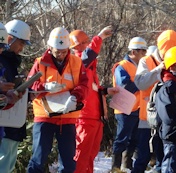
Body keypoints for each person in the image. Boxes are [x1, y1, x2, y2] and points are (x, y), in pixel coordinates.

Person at [27, 27, 87, 173]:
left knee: (68, 163)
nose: (60, 55)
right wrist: (44, 87)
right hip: (44, 117)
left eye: (64, 51)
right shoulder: (40, 62)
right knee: (38, 159)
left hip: (67, 118)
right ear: (49, 48)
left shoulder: (77, 62)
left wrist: (75, 97)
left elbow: (84, 84)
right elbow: (29, 86)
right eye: (57, 51)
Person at [69, 27, 119, 173]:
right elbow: (88, 55)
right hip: (84, 118)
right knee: (81, 156)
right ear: (77, 46)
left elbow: (92, 89)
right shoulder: (78, 62)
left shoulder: (89, 68)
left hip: (95, 118)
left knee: (90, 156)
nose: (89, 43)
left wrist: (106, 91)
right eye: (86, 42)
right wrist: (100, 37)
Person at [133, 30, 176, 173]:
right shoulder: (145, 61)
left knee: (163, 159)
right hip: (148, 119)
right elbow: (140, 83)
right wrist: (159, 69)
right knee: (143, 157)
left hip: (167, 119)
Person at [111, 37, 147, 172]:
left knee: (134, 139)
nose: (144, 54)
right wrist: (143, 84)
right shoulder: (122, 66)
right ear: (134, 51)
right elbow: (125, 85)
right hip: (124, 108)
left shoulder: (141, 66)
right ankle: (115, 167)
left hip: (138, 108)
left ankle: (127, 164)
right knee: (122, 139)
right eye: (142, 51)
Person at [0, 19, 31, 173]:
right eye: (22, 43)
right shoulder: (3, 63)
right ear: (10, 39)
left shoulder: (11, 63)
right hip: (5, 126)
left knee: (8, 166)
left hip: (11, 125)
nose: (22, 48)